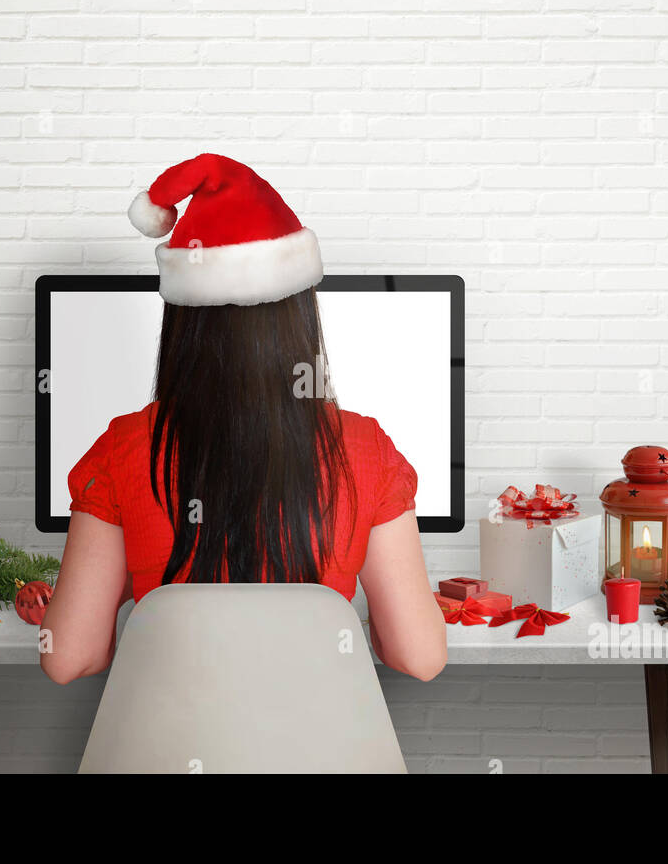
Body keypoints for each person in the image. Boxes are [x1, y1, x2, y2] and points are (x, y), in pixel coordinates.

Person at [41, 153, 447, 685]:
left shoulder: (126, 449)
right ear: (300, 316)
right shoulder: (364, 450)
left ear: (183, 324)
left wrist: (134, 595)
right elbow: (419, 657)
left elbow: (69, 658)